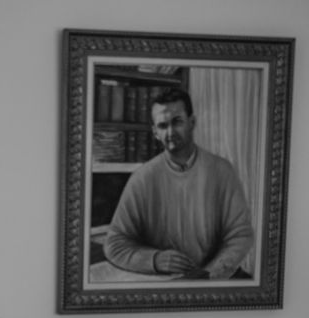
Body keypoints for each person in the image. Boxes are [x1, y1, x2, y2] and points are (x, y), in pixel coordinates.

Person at [103, 88, 254, 280]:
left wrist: (210, 274)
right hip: (166, 283)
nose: (170, 132)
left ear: (192, 123)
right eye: (163, 125)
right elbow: (114, 243)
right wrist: (154, 260)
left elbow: (241, 235)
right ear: (155, 132)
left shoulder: (222, 171)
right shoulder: (142, 178)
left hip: (216, 279)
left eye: (177, 122)